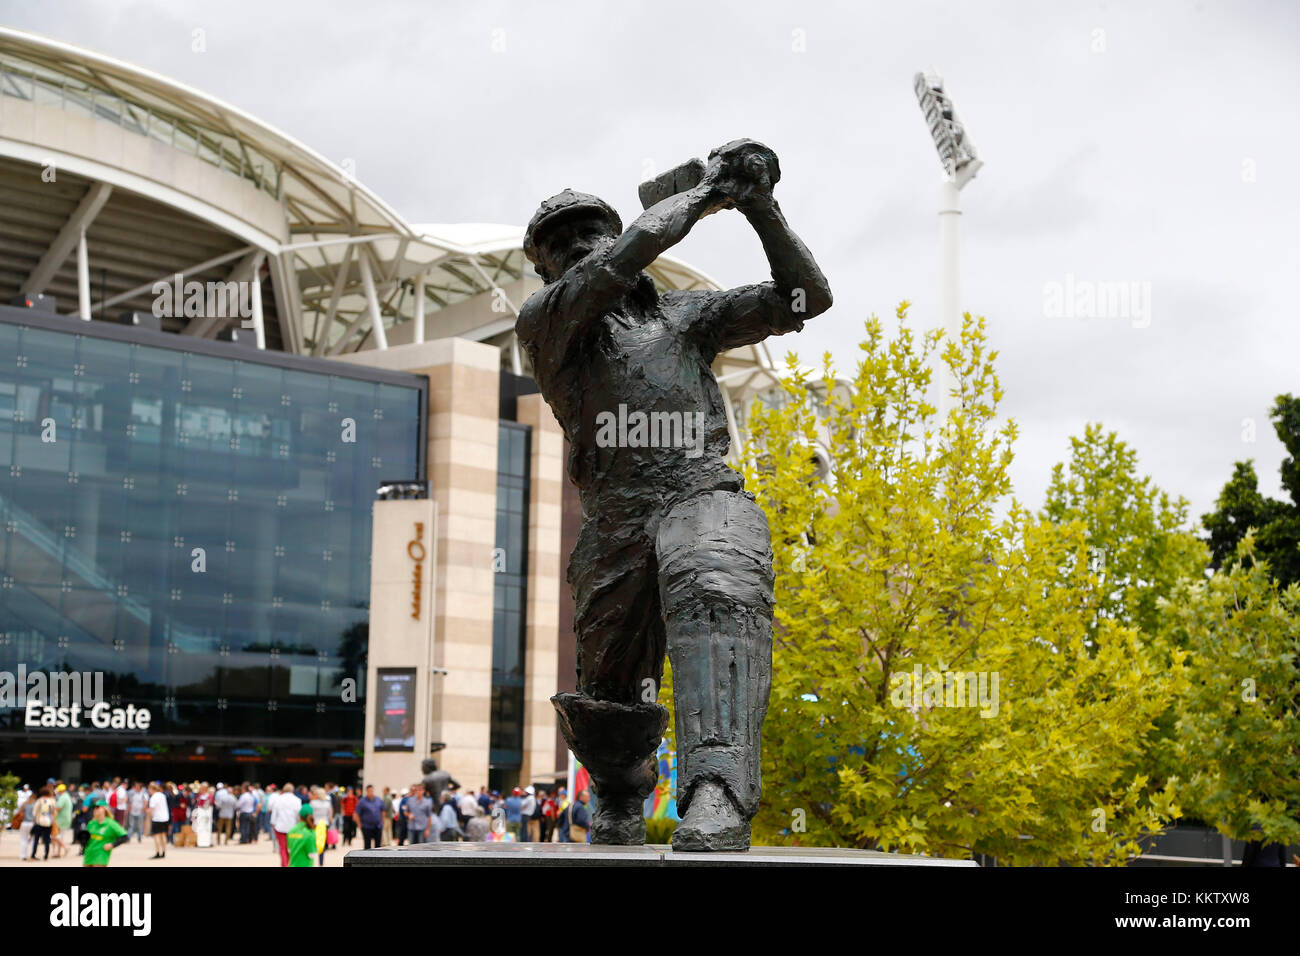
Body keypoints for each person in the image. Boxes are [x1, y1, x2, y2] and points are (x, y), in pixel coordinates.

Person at [518, 141, 829, 849]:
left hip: (699, 490)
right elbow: (625, 256)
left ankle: (716, 791)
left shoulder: (684, 318)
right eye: (558, 244)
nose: (578, 247)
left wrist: (761, 206)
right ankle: (621, 787)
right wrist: (708, 192)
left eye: (587, 231)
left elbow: (808, 297)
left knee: (718, 581)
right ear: (544, 268)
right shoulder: (549, 321)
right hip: (617, 514)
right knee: (608, 697)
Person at [83, 799, 128, 867]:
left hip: (101, 854)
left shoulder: (111, 823)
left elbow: (124, 836)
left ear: (104, 809)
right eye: (94, 808)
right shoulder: (91, 823)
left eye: (98, 807)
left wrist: (112, 844)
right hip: (89, 854)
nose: (95, 809)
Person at [268, 781, 302, 867]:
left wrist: (273, 823)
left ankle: (284, 864)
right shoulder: (297, 800)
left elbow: (274, 813)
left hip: (280, 827)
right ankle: (291, 864)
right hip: (293, 828)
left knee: (282, 848)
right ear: (292, 790)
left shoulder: (278, 799)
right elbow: (299, 815)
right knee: (292, 848)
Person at [27, 785, 56, 861]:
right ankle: (46, 855)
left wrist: (36, 819)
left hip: (39, 822)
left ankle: (33, 854)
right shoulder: (52, 801)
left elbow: (34, 812)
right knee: (47, 839)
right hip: (48, 822)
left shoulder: (39, 800)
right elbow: (53, 812)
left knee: (36, 839)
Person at [355, 784, 385, 850]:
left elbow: (383, 811)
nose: (370, 792)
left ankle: (378, 859)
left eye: (371, 791)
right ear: (366, 791)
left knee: (378, 845)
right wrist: (360, 825)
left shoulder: (378, 800)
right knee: (367, 845)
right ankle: (367, 859)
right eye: (369, 791)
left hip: (378, 826)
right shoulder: (362, 801)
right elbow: (356, 814)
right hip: (366, 827)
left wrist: (382, 822)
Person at [310, 787, 332, 865]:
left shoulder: (313, 803)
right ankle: (321, 862)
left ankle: (311, 859)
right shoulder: (327, 803)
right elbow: (329, 815)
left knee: (313, 842)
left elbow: (310, 815)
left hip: (315, 824)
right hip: (324, 824)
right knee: (322, 843)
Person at [148, 782, 170, 859]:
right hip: (165, 818)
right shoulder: (162, 795)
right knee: (163, 835)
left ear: (152, 789)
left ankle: (158, 852)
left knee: (156, 836)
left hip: (157, 818)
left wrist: (147, 812)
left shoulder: (153, 797)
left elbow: (151, 808)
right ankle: (164, 852)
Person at [53, 783, 73, 859]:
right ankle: (58, 853)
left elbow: (58, 807)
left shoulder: (63, 797)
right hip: (66, 818)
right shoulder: (67, 796)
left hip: (61, 819)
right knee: (61, 836)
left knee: (54, 835)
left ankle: (65, 847)